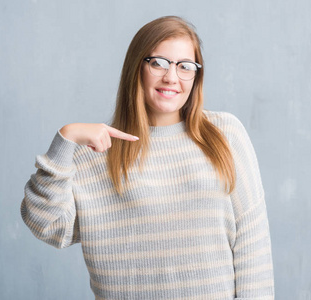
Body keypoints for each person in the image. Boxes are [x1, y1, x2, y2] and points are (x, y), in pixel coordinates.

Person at [21, 16, 274, 300]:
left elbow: (254, 249)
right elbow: (46, 224)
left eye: (185, 66)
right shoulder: (94, 155)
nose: (171, 77)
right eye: (158, 63)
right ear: (136, 68)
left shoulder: (225, 134)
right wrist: (65, 139)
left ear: (196, 75)